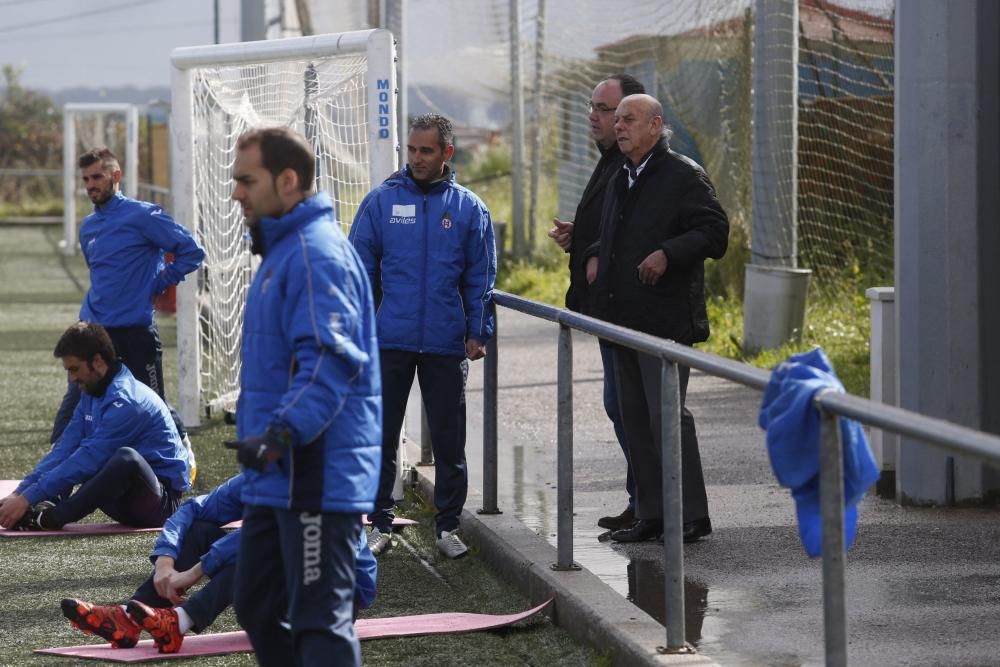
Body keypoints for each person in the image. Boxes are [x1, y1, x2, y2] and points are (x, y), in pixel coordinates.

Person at [223, 127, 381, 667]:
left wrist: (279, 433)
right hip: (279, 475)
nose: (236, 193)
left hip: (313, 469)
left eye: (247, 180)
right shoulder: (284, 249)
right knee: (258, 603)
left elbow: (329, 362)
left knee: (319, 621)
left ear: (287, 181)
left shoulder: (317, 255)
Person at [349, 113, 497, 560]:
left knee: (450, 440)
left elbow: (480, 278)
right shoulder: (379, 203)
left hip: (444, 342)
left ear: (446, 153)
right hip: (387, 341)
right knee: (380, 435)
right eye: (411, 150)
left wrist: (478, 330)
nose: (416, 158)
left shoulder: (470, 208)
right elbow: (359, 272)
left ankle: (448, 526)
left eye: (426, 151)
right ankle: (378, 522)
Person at [585, 94, 729, 543]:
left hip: (662, 320)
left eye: (629, 119)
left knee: (667, 415)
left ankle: (690, 515)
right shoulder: (622, 175)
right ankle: (650, 514)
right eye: (618, 119)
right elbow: (619, 233)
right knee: (634, 418)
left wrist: (669, 253)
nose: (620, 126)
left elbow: (714, 232)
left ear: (655, 125)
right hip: (621, 319)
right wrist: (593, 253)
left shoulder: (682, 175)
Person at [59, 473, 378, 655]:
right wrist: (165, 562)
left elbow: (261, 537)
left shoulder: (317, 480)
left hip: (333, 601)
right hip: (278, 596)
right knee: (201, 529)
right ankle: (130, 616)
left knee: (263, 548)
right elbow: (191, 511)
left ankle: (179, 621)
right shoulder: (266, 473)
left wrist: (194, 572)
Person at [50, 146, 204, 466]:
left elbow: (192, 251)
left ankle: (181, 447)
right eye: (86, 179)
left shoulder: (144, 216)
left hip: (135, 332)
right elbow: (99, 272)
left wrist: (158, 284)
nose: (90, 184)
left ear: (116, 176)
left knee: (152, 400)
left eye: (97, 177)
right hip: (93, 330)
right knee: (76, 401)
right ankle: (52, 474)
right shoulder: (88, 226)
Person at [547, 73, 645, 532]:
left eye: (606, 110)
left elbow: (633, 231)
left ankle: (649, 504)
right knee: (619, 406)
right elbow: (607, 230)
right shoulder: (610, 162)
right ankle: (641, 500)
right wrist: (581, 240)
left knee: (632, 408)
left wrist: (593, 251)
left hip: (632, 308)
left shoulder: (635, 166)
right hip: (608, 305)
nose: (596, 117)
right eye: (594, 107)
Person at [0, 321, 190, 531]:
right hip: (120, 500)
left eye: (74, 369)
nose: (71, 379)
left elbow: (90, 458)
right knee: (69, 453)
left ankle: (49, 518)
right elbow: (64, 449)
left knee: (124, 459)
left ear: (98, 361)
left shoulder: (127, 401)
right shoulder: (92, 392)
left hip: (158, 505)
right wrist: (20, 494)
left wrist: (27, 497)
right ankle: (41, 506)